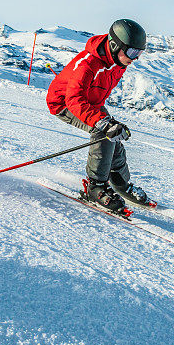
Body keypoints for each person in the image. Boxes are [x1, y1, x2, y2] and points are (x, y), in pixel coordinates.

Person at [46, 18, 148, 213]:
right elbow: (74, 100)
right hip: (64, 103)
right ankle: (96, 187)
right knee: (104, 131)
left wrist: (106, 120)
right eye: (133, 52)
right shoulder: (88, 64)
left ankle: (121, 183)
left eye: (139, 53)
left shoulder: (119, 61)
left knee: (114, 134)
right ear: (114, 44)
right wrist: (100, 121)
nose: (135, 58)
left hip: (91, 103)